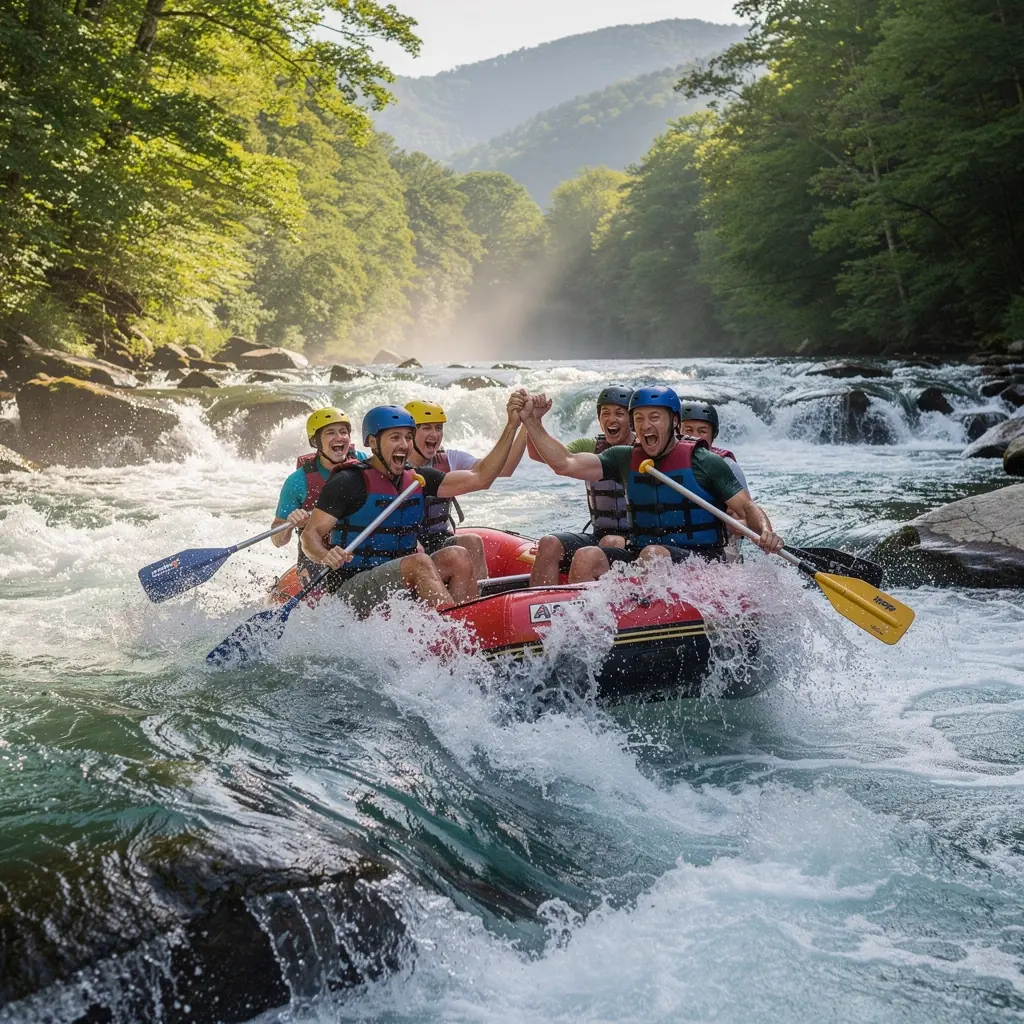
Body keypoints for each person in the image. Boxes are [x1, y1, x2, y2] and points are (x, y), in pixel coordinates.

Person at [519, 386, 783, 583]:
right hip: (643, 552)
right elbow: (564, 463)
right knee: (588, 555)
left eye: (654, 417)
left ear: (675, 422)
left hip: (700, 558)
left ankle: (646, 625)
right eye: (640, 418)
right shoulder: (622, 458)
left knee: (653, 554)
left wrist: (766, 530)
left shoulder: (704, 461)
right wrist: (532, 422)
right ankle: (581, 630)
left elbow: (747, 507)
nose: (646, 425)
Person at [300, 395, 525, 613]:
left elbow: (481, 478)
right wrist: (325, 555)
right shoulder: (348, 481)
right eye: (395, 437)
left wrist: (512, 426)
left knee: (457, 555)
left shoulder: (417, 478)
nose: (404, 445)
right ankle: (453, 635)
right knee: (419, 562)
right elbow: (309, 537)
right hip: (353, 588)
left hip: (399, 577)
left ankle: (470, 625)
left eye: (408, 437)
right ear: (372, 442)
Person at [404, 399, 528, 581]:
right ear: (410, 433)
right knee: (420, 551)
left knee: (472, 541)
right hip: (408, 547)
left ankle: (480, 602)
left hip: (438, 540)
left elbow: (504, 468)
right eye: (427, 428)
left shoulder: (451, 459)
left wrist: (526, 424)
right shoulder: (397, 466)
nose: (434, 434)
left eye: (438, 428)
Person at [526, 384, 634, 586]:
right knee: (548, 543)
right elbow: (540, 455)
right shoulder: (589, 447)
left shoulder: (644, 449)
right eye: (605, 413)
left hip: (634, 540)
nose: (611, 419)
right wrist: (534, 420)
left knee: (609, 542)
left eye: (619, 413)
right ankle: (541, 609)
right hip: (599, 534)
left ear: (632, 419)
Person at [272, 408, 366, 582]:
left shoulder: (365, 465)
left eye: (343, 432)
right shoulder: (297, 481)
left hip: (359, 552)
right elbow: (277, 541)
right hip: (317, 559)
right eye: (331, 433)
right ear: (316, 442)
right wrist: (289, 524)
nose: (339, 437)